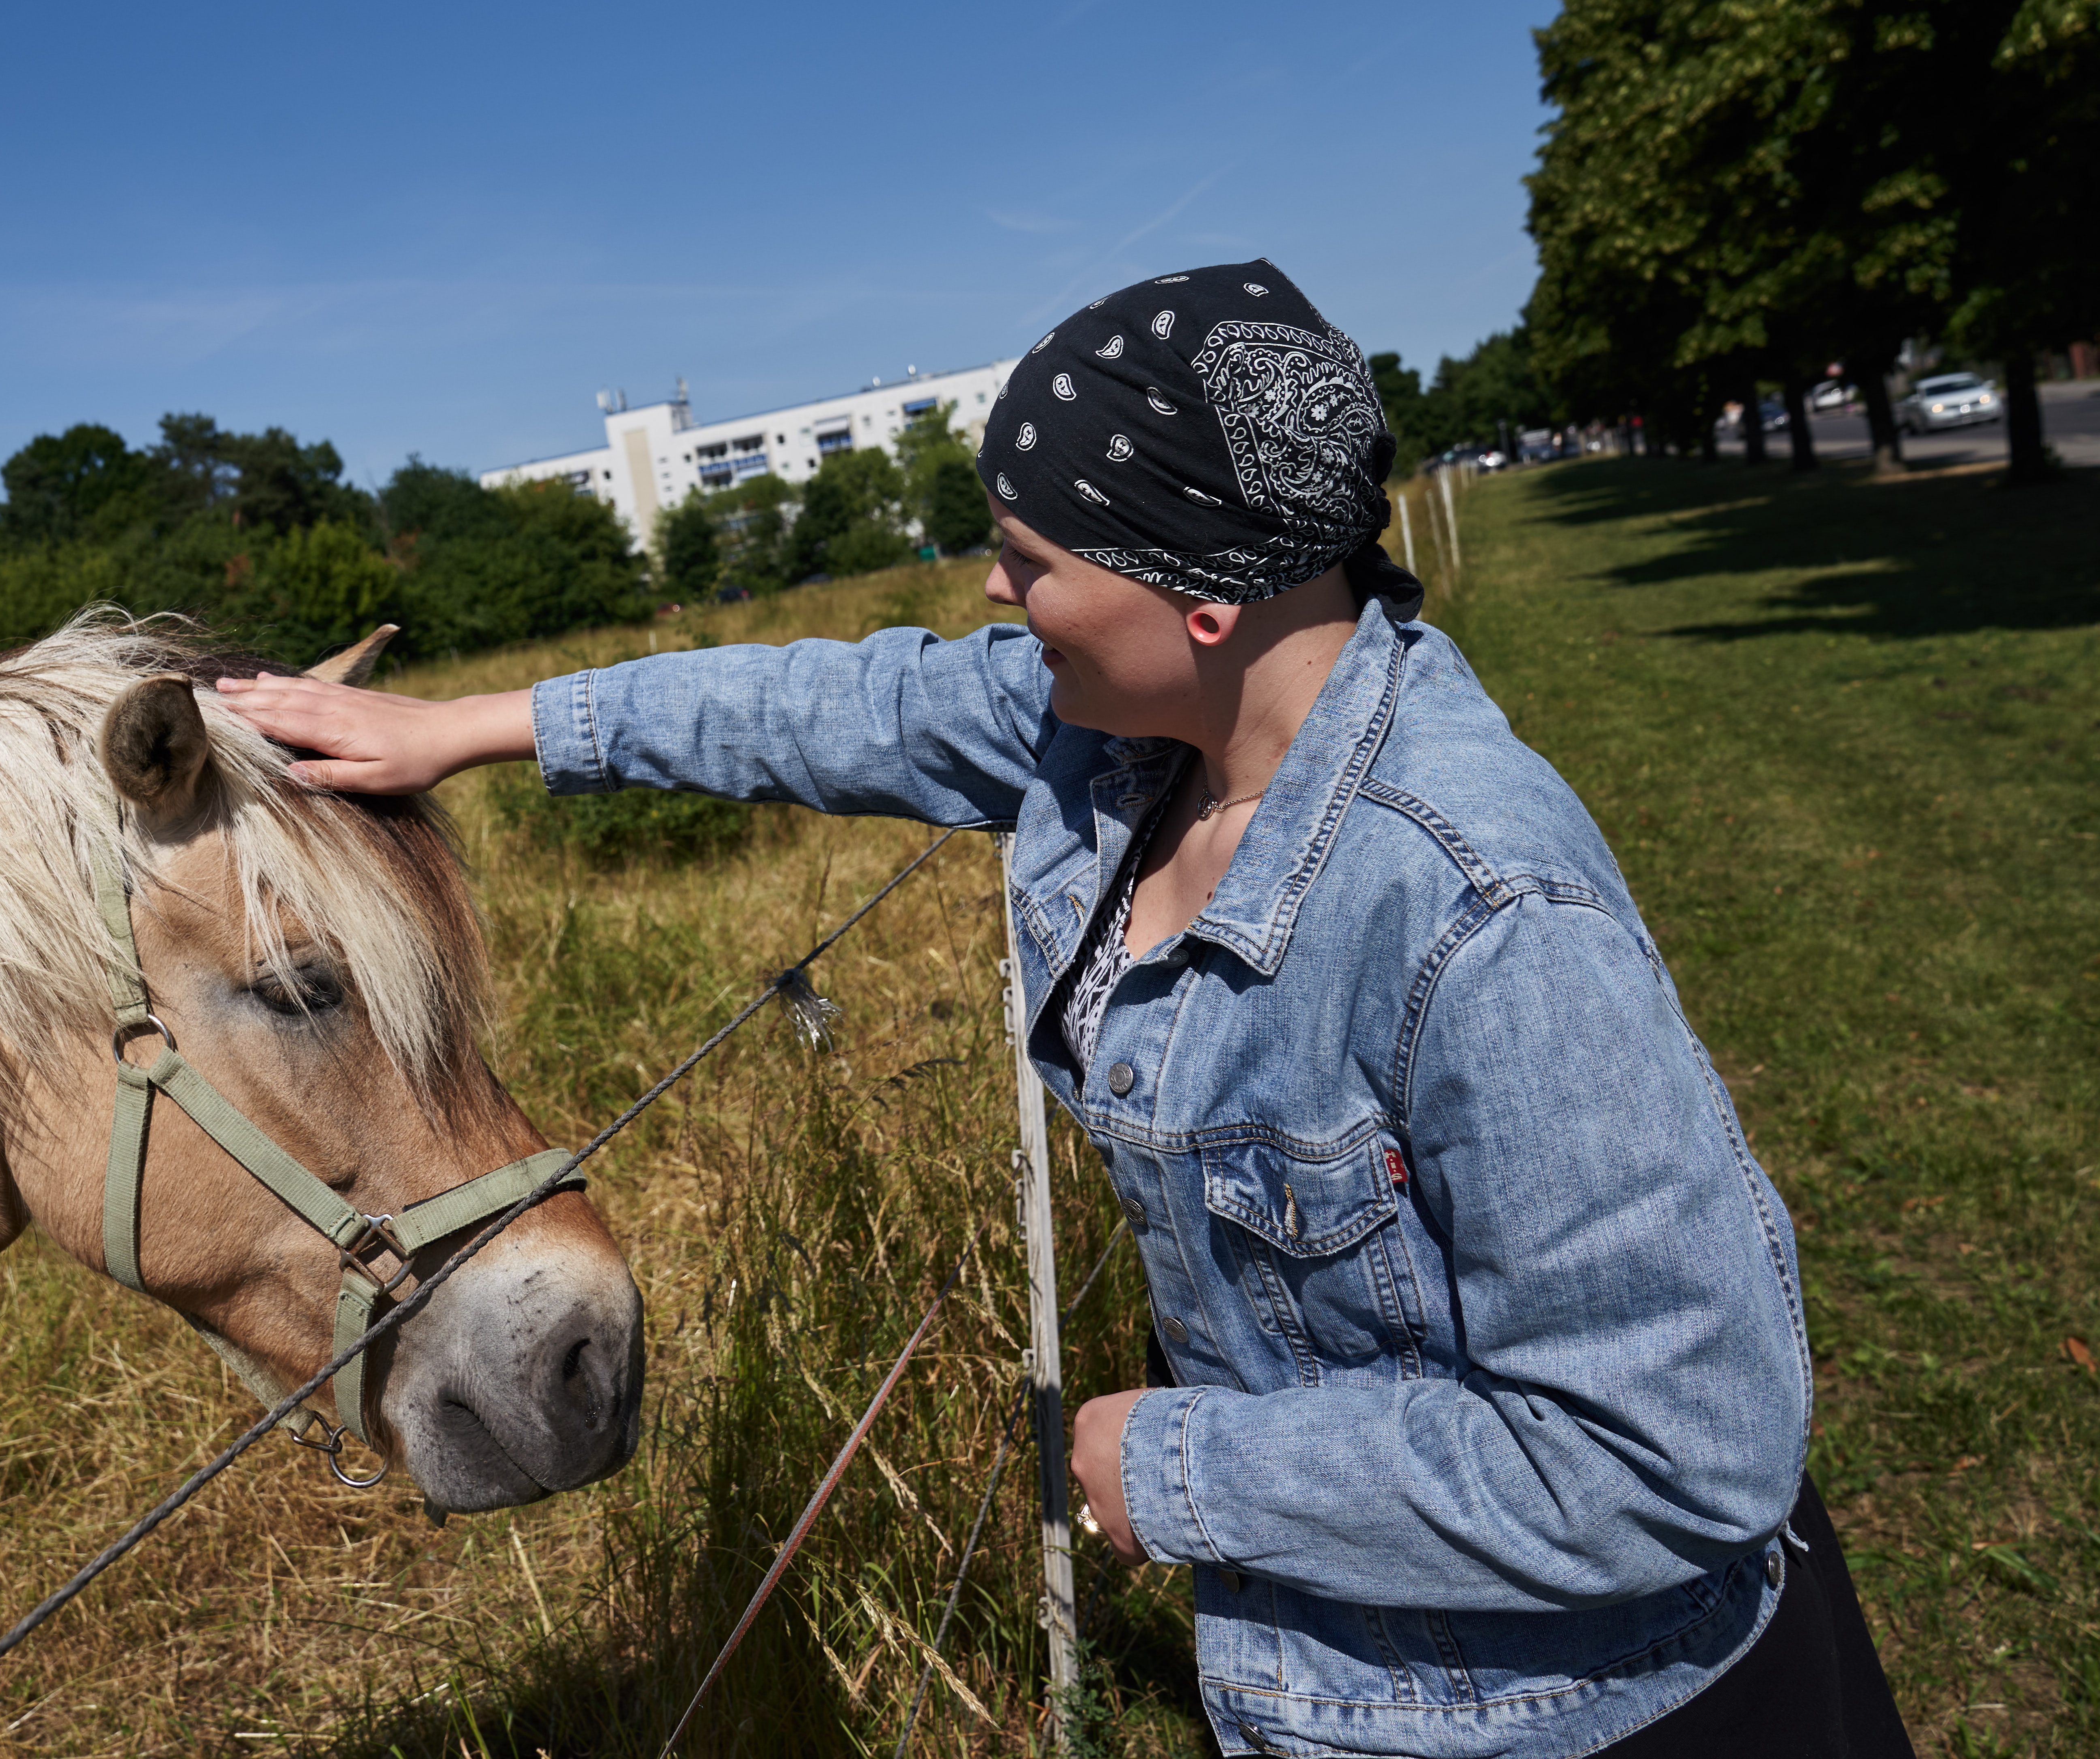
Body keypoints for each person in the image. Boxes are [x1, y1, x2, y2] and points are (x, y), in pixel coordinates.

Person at [217, 261, 1911, 1757]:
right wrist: (469, 729)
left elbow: (1673, 1454)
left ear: (1197, 593)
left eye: (1023, 558)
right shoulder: (1121, 741)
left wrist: (1178, 1472)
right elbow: (823, 705)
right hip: (1368, 1683)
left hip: (1599, 1717)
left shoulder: (1476, 913)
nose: (982, 592)